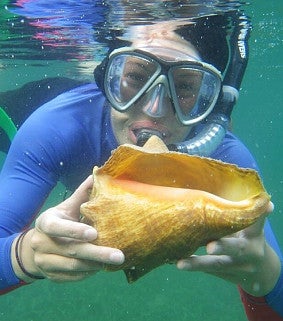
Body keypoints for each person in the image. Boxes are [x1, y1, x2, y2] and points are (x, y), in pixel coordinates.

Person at [0, 12, 282, 321]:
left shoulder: (223, 157)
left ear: (208, 101)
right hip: (20, 109)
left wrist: (265, 273)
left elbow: (267, 274)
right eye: (136, 77)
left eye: (184, 88)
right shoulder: (56, 127)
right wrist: (23, 254)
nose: (154, 109)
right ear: (109, 77)